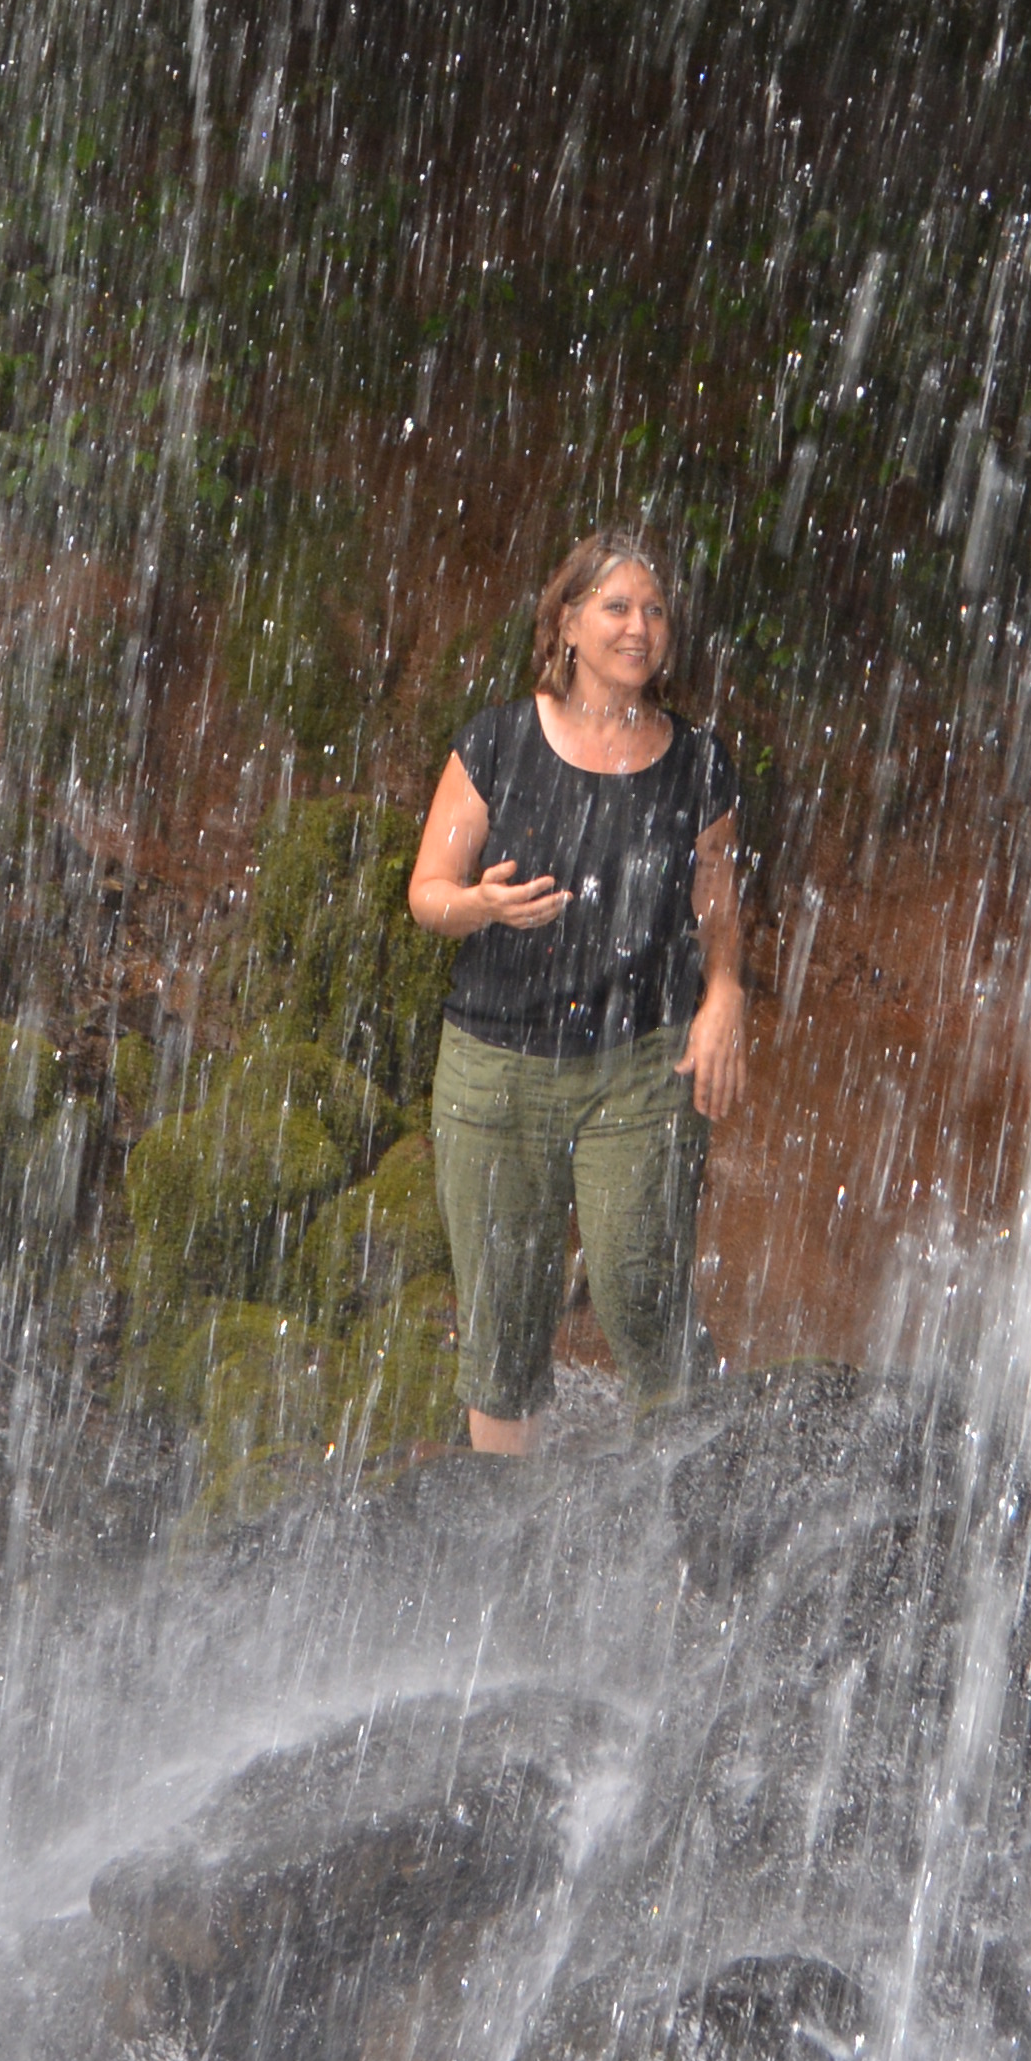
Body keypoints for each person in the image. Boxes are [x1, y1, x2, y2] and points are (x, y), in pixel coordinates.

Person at [406, 527, 744, 1451]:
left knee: (642, 1292)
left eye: (656, 610)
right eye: (617, 607)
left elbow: (718, 906)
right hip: (495, 1066)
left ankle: (689, 1521)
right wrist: (477, 905)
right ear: (566, 622)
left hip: (641, 1063)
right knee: (504, 1326)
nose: (641, 628)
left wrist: (726, 998)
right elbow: (426, 893)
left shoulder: (699, 763)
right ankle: (507, 1549)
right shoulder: (500, 741)